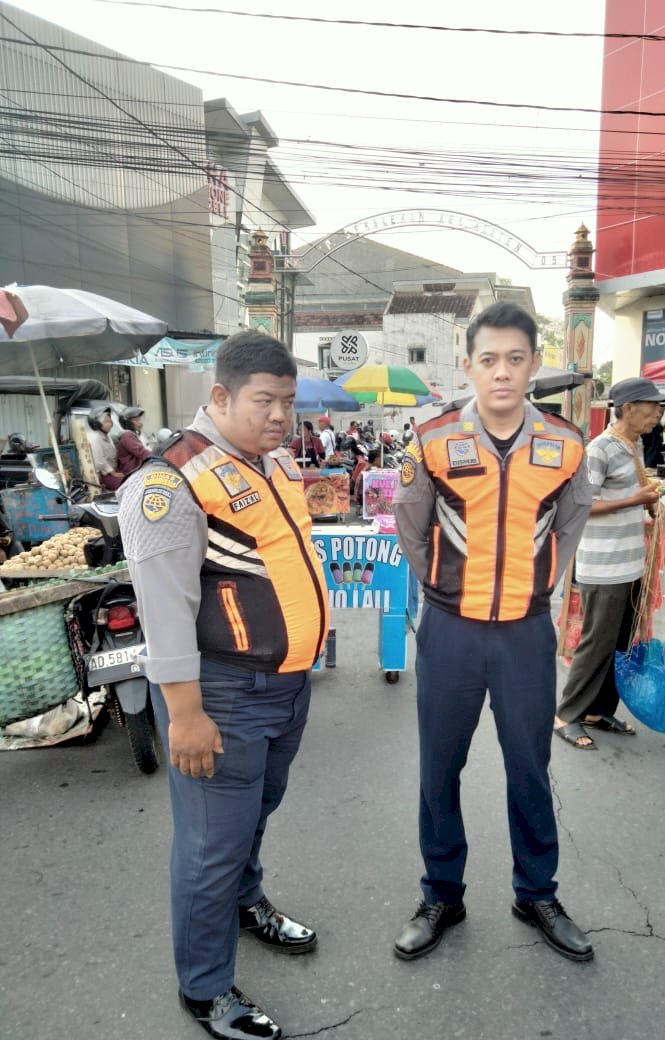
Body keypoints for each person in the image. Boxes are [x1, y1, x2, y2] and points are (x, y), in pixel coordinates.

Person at [117, 331, 330, 1040]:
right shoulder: (170, 482)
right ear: (220, 396)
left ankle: (247, 904)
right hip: (224, 696)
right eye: (264, 400)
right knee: (210, 845)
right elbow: (166, 610)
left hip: (286, 688)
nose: (279, 415)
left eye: (288, 402)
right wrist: (185, 714)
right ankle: (205, 989)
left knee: (253, 816)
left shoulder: (271, 464)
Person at [393, 301, 594, 964]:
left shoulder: (565, 444)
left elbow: (572, 521)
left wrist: (543, 590)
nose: (502, 372)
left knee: (529, 770)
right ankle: (441, 894)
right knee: (438, 769)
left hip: (524, 637)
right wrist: (443, 594)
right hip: (450, 633)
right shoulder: (434, 439)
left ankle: (536, 891)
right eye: (488, 360)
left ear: (533, 364)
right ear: (468, 365)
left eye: (515, 359)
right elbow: (411, 527)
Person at [555, 376, 665, 751]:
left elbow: (629, 495)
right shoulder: (600, 449)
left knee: (620, 644)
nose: (658, 413)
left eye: (659, 407)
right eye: (651, 406)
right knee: (597, 643)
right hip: (603, 566)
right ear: (626, 409)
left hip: (629, 563)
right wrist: (634, 500)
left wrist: (647, 501)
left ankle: (598, 711)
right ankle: (565, 716)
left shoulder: (632, 445)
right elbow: (580, 506)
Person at [86, 406, 124, 491]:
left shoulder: (107, 435)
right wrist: (114, 473)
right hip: (105, 475)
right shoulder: (95, 438)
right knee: (124, 485)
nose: (110, 424)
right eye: (106, 421)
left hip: (113, 471)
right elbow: (99, 461)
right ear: (97, 423)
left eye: (110, 421)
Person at [116, 406, 151, 476]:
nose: (139, 422)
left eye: (139, 419)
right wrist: (158, 457)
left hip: (137, 470)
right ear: (128, 422)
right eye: (136, 420)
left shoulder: (133, 434)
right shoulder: (127, 436)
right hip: (131, 473)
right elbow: (142, 452)